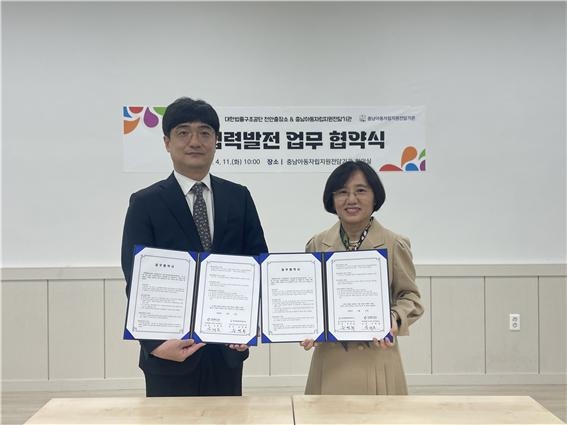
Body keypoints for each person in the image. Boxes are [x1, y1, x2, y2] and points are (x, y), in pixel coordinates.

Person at [121, 97, 268, 397]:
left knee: (227, 418)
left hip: (227, 350)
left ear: (216, 141)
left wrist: (250, 326)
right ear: (167, 142)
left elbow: (257, 263)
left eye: (204, 132)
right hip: (169, 353)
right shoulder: (145, 202)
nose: (195, 142)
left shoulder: (239, 197)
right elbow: (136, 277)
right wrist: (154, 345)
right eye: (183, 132)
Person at [300, 160, 423, 395]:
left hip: (377, 357)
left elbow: (411, 298)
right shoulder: (317, 244)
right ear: (332, 199)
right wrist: (305, 325)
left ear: (375, 197)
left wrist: (393, 319)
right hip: (330, 360)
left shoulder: (394, 244)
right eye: (342, 192)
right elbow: (309, 300)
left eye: (360, 191)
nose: (351, 199)